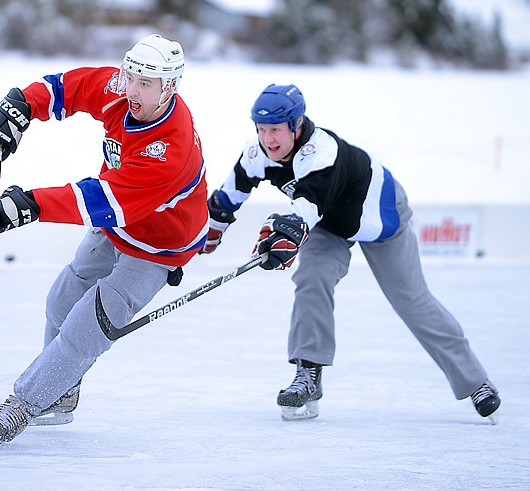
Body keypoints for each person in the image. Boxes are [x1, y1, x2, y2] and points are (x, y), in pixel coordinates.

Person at [201, 83, 500, 423]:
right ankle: (308, 375)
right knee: (311, 277)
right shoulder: (258, 154)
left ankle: (477, 382)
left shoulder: (321, 151)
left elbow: (308, 202)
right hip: (330, 223)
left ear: (296, 125)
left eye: (276, 130)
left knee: (412, 301)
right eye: (262, 129)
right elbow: (228, 195)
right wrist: (208, 232)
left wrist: (283, 232)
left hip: (380, 216)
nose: (269, 139)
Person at [0, 34, 208, 444]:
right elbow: (68, 88)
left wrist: (26, 205)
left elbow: (103, 199)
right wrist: (20, 106)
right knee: (61, 301)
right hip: (117, 225)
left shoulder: (168, 149)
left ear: (169, 87)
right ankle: (61, 391)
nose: (131, 88)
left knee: (87, 328)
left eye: (144, 83)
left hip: (158, 247)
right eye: (129, 76)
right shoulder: (126, 89)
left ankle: (25, 403)